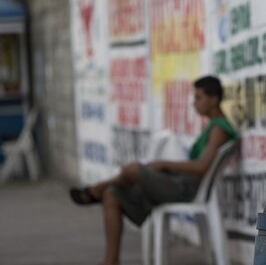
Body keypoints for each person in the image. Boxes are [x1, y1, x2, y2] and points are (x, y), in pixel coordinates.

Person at [69, 75, 237, 265]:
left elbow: (201, 168)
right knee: (112, 195)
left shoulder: (219, 129)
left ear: (213, 99)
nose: (194, 103)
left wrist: (165, 165)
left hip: (187, 190)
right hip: (180, 183)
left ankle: (96, 189)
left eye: (198, 98)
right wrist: (167, 169)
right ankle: (110, 260)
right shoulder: (212, 127)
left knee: (133, 170)